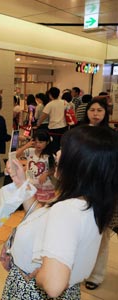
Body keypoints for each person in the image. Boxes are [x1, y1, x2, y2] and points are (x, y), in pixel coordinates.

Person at [2, 125, 118, 299]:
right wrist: (21, 182)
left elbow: (53, 285)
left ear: (80, 163)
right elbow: (42, 216)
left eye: (64, 149)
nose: (57, 153)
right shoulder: (91, 203)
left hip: (30, 293)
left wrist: (39, 274)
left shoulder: (67, 210)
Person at [79, 98, 113, 291]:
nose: (95, 113)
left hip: (104, 190)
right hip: (81, 189)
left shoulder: (111, 136)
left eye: (99, 110)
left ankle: (97, 274)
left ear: (105, 113)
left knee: (101, 233)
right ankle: (79, 268)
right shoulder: (79, 133)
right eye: (92, 109)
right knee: (82, 232)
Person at [15, 130, 55, 203]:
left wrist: (46, 174)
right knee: (30, 205)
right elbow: (15, 156)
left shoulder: (49, 155)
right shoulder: (30, 151)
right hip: (30, 185)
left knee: (42, 207)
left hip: (44, 186)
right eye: (36, 142)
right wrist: (26, 146)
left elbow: (53, 169)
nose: (38, 144)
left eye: (41, 142)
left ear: (47, 142)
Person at [36, 87, 68, 154]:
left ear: (50, 95)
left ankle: (54, 159)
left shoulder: (50, 104)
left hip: (54, 128)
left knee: (53, 146)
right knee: (62, 146)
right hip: (64, 127)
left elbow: (43, 116)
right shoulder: (65, 102)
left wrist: (38, 124)